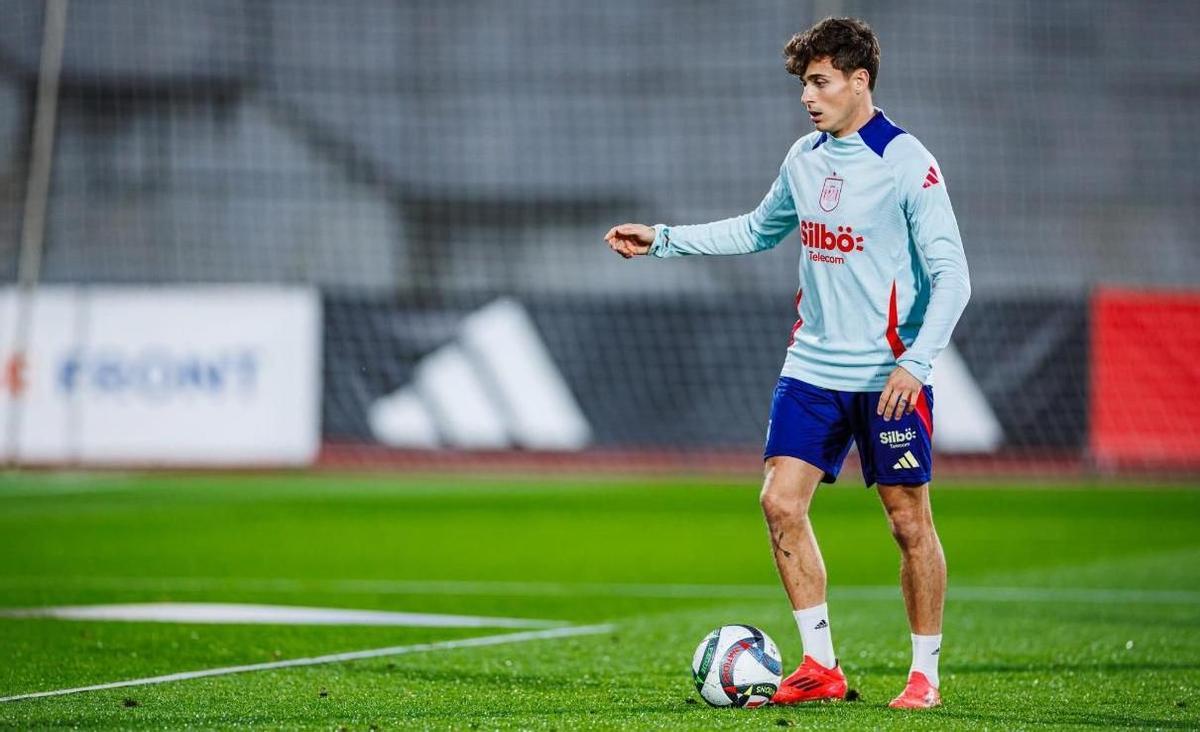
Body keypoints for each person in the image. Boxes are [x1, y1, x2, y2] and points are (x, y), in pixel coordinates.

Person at [604, 17, 970, 709]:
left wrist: (916, 364)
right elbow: (757, 228)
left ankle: (924, 673)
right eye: (805, 83)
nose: (809, 96)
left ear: (860, 81)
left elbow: (954, 277)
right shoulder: (804, 157)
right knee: (778, 503)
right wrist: (662, 241)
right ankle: (820, 666)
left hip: (887, 376)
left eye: (821, 82)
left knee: (907, 521)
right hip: (810, 368)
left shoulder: (907, 162)